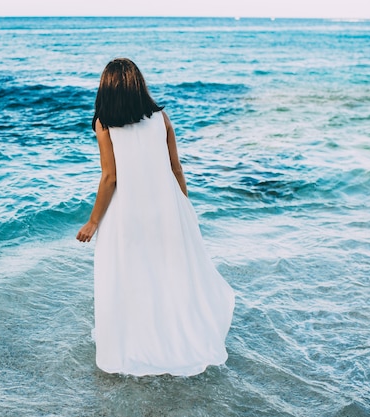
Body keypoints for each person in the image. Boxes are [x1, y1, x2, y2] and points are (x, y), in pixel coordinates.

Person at [76, 58, 235, 377]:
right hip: (166, 209)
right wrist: (184, 206)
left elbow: (110, 177)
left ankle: (134, 342)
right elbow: (176, 168)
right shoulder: (161, 118)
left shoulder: (104, 123)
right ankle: (174, 339)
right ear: (139, 86)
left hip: (128, 213)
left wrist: (93, 221)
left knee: (131, 279)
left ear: (106, 90)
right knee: (167, 277)